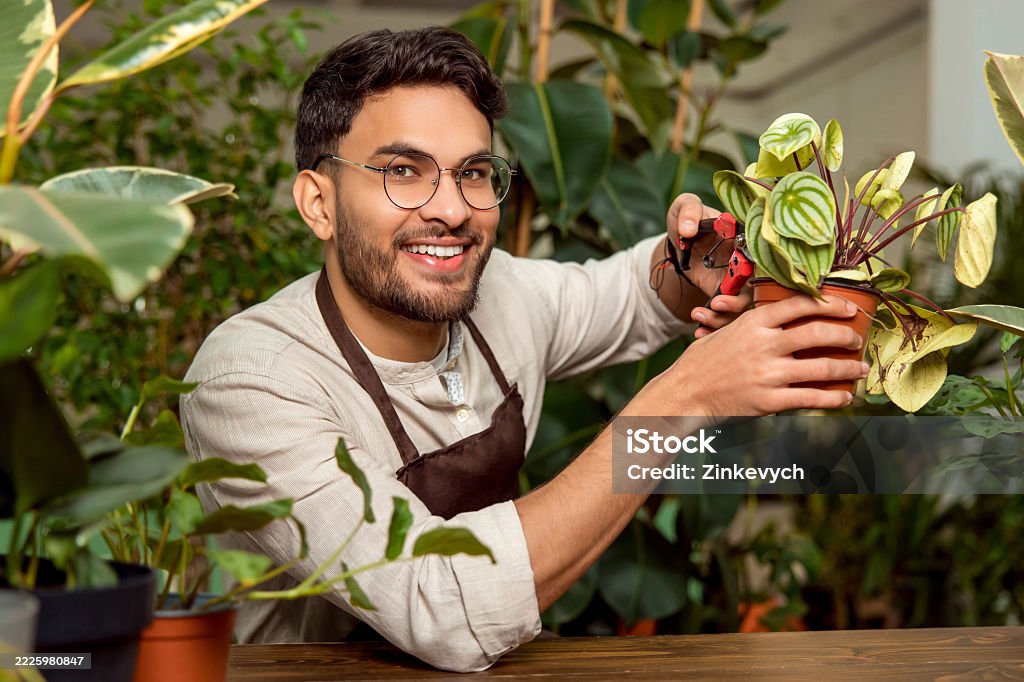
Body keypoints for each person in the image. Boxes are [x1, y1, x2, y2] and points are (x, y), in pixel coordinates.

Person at [180, 26, 869, 672]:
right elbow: (438, 603)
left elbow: (634, 292)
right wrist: (682, 400)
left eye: (474, 173)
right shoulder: (251, 381)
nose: (451, 209)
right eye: (403, 171)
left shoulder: (502, 293)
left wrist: (696, 259)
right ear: (318, 203)